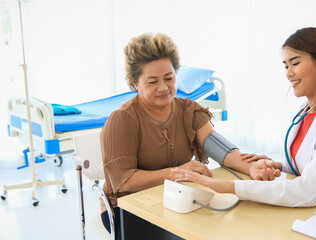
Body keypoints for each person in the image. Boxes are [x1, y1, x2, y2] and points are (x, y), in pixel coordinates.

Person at [100, 32, 280, 239]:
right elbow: (123, 182)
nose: (163, 88)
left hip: (176, 197)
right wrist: (177, 172)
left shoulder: (188, 110)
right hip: (128, 208)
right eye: (152, 82)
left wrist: (251, 167)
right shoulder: (123, 119)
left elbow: (218, 148)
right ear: (134, 82)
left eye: (169, 78)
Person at [174, 27, 316, 207]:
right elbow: (313, 164)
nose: (288, 73)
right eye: (286, 66)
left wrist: (228, 186)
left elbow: (314, 188)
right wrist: (280, 165)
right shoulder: (307, 109)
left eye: (295, 63)